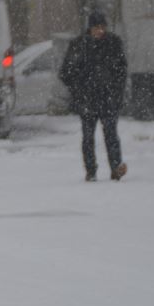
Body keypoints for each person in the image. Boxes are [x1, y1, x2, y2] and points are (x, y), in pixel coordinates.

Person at [59, 11, 129, 182]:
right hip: (87, 99)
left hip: (108, 98)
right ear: (90, 28)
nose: (100, 31)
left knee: (111, 134)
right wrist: (78, 90)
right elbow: (66, 73)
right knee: (88, 137)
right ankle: (91, 171)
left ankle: (115, 167)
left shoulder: (113, 43)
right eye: (97, 27)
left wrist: (116, 90)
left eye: (103, 27)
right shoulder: (78, 45)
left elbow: (121, 70)